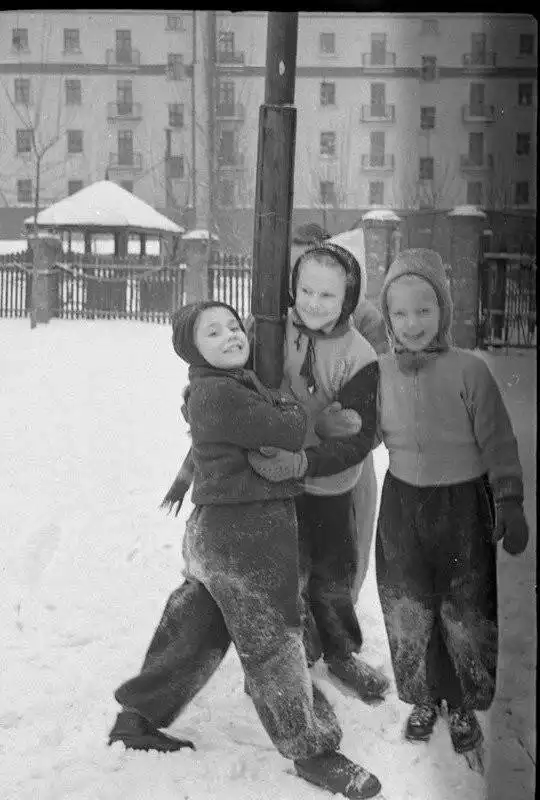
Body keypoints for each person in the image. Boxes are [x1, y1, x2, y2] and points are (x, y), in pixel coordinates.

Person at [109, 300, 382, 800]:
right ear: (192, 350)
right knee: (273, 642)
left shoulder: (223, 386)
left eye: (234, 326)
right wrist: (294, 408)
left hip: (218, 535)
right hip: (246, 537)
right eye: (213, 333)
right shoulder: (219, 394)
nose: (232, 335)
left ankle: (138, 715)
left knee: (196, 625)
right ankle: (311, 750)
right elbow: (289, 428)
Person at [373, 248, 529, 754]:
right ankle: (423, 694)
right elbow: (362, 435)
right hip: (402, 507)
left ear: (443, 308)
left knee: (465, 607)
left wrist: (509, 500)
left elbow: (498, 441)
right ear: (387, 316)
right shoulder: (379, 372)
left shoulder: (470, 371)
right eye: (400, 312)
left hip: (463, 506)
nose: (412, 322)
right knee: (409, 604)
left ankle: (460, 699)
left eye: (424, 308)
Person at [248, 231, 389, 700]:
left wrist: (306, 459)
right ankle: (278, 660)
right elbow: (233, 376)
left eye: (327, 295)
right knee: (281, 573)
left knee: (332, 573)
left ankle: (341, 652)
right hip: (275, 483)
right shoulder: (270, 328)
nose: (313, 302)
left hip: (330, 486)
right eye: (306, 290)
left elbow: (358, 438)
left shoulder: (359, 355)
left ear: (348, 297)